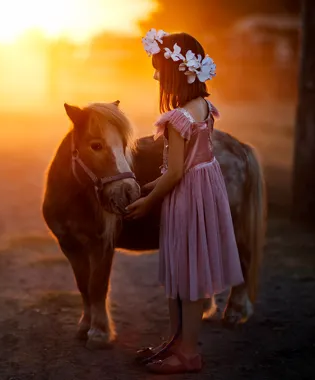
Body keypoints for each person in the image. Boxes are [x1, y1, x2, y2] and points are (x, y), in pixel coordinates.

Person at [124, 29, 244, 374]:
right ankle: (176, 342)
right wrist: (146, 187)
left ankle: (187, 353)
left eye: (159, 69)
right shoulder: (203, 106)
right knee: (184, 270)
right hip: (203, 191)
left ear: (177, 71)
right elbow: (184, 164)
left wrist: (147, 202)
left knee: (186, 274)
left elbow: (175, 173)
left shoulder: (177, 119)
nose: (155, 75)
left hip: (188, 195)